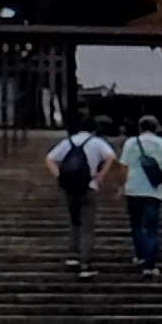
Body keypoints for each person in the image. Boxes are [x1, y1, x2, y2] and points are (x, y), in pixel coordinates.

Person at [45, 116, 117, 279]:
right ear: (94, 130)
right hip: (88, 186)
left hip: (70, 187)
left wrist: (60, 177)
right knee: (87, 226)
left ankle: (72, 255)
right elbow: (111, 157)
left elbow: (49, 159)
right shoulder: (97, 142)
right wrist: (101, 175)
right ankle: (85, 263)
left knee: (74, 222)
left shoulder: (68, 142)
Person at [118, 115, 162, 277]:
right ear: (156, 128)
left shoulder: (130, 143)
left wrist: (122, 185)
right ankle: (149, 266)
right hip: (153, 190)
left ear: (139, 128)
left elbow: (123, 167)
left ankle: (141, 255)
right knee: (151, 228)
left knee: (136, 225)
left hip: (133, 189)